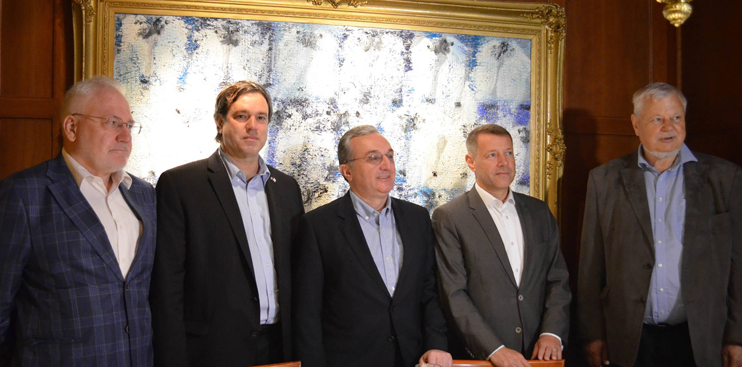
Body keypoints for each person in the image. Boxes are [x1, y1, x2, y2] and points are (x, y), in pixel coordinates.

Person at [578, 82, 742, 367]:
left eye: (676, 117)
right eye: (658, 119)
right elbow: (591, 263)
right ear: (636, 124)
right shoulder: (604, 180)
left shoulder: (724, 177)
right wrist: (592, 334)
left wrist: (736, 337)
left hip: (701, 338)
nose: (670, 127)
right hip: (630, 338)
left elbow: (738, 264)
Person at [0, 76, 155, 367]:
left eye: (129, 125)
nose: (126, 137)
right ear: (71, 127)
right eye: (113, 123)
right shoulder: (23, 194)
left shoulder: (144, 195)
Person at [150, 81, 304, 367]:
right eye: (242, 116)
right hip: (212, 349)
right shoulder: (181, 185)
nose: (253, 126)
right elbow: (167, 285)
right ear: (220, 122)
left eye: (261, 118)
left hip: (280, 346)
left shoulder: (287, 188)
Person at [292, 125, 452, 367]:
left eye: (390, 156)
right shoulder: (318, 226)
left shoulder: (417, 218)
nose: (387, 165)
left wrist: (436, 344)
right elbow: (308, 312)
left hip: (413, 358)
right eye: (374, 158)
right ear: (347, 171)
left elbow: (429, 291)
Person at [432, 124, 571, 367]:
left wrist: (552, 333)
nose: (503, 162)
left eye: (508, 153)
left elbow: (558, 279)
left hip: (539, 356)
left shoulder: (539, 212)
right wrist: (493, 349)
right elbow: (453, 294)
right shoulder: (450, 217)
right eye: (492, 155)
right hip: (484, 359)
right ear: (471, 162)